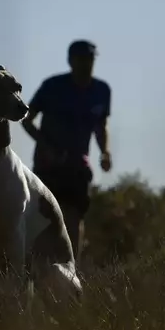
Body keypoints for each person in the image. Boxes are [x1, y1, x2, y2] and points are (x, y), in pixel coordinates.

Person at [22, 39, 112, 264]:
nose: (86, 64)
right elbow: (27, 119)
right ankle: (36, 272)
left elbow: (101, 126)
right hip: (47, 166)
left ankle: (71, 271)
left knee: (74, 218)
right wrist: (47, 147)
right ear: (70, 61)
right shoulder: (52, 87)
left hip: (77, 166)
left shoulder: (101, 90)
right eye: (81, 59)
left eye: (90, 59)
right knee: (43, 219)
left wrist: (105, 152)